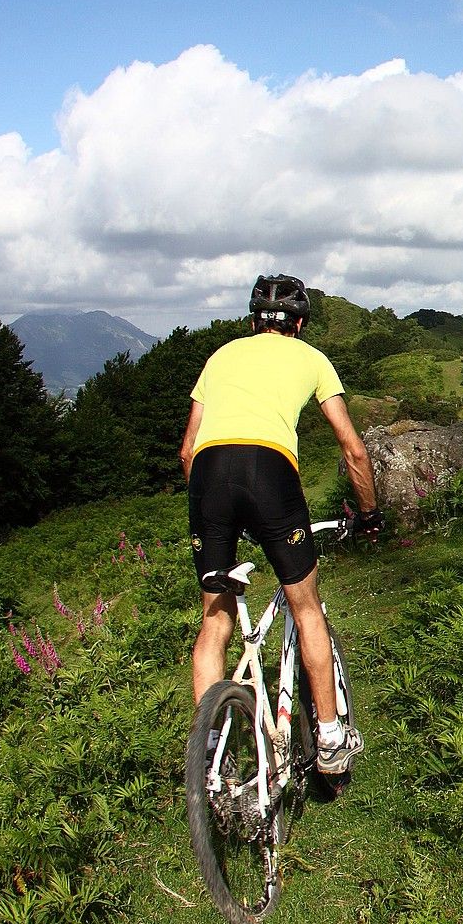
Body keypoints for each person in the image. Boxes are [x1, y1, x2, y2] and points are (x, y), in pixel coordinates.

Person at [182, 273, 384, 774]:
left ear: (254, 321)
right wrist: (368, 514)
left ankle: (211, 756)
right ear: (299, 323)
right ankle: (333, 741)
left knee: (215, 620)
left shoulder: (220, 357)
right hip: (269, 472)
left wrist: (221, 514)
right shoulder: (312, 358)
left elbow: (187, 449)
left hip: (208, 478)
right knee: (306, 606)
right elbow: (352, 447)